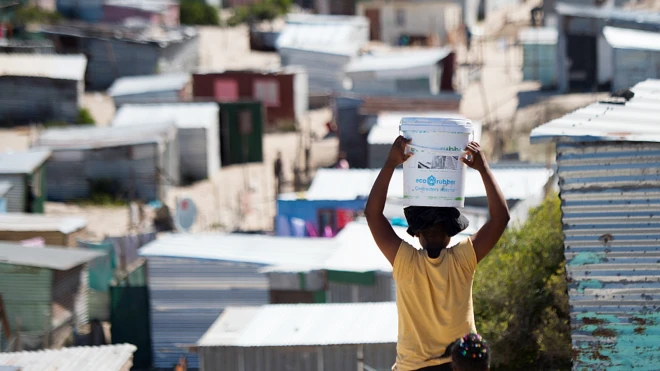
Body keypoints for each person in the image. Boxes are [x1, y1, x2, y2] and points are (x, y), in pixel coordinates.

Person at [365, 136, 509, 371]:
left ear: (416, 234)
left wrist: (391, 163)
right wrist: (482, 168)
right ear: (451, 234)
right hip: (459, 366)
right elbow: (501, 217)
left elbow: (373, 214)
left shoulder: (405, 262)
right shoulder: (463, 260)